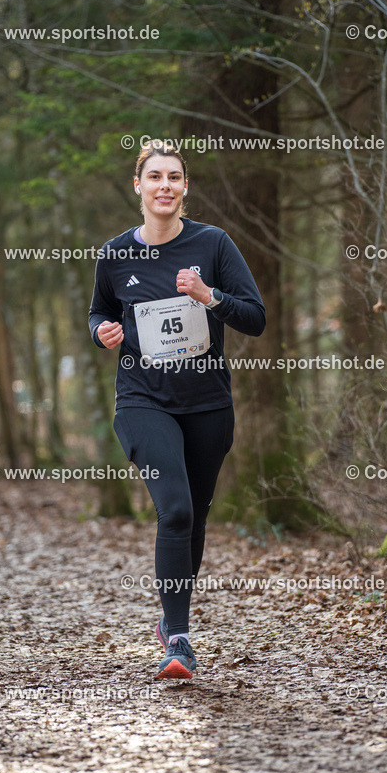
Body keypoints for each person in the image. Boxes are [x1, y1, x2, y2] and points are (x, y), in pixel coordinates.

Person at [88, 139, 265, 680]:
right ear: (138, 186)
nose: (164, 185)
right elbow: (99, 310)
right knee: (177, 510)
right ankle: (180, 642)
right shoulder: (116, 254)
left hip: (207, 403)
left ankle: (171, 620)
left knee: (196, 517)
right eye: (154, 176)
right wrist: (103, 332)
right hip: (143, 399)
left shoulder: (212, 245)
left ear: (185, 188)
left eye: (174, 177)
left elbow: (255, 317)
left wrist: (210, 297)